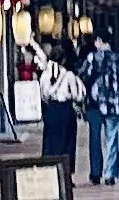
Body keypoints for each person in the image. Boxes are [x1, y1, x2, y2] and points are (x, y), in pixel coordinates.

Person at [81, 27, 119, 187]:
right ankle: (110, 174)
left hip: (94, 105)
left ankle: (95, 173)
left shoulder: (92, 58)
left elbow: (83, 75)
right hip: (113, 105)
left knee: (95, 139)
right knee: (112, 138)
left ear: (99, 41)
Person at [38, 44, 84, 176]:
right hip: (66, 110)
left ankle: (49, 172)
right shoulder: (69, 75)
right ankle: (66, 174)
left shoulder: (45, 75)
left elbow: (43, 95)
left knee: (50, 141)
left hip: (51, 110)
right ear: (63, 59)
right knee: (67, 142)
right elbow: (76, 96)